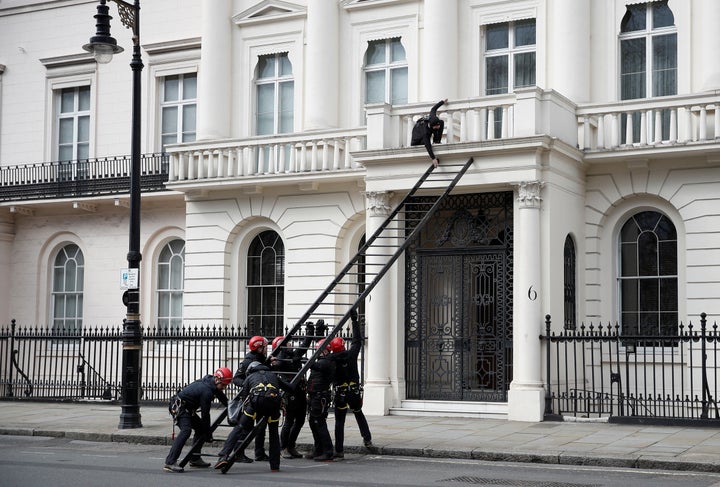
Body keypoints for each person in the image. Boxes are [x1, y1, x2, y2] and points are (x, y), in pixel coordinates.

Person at [214, 361, 292, 472]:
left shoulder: (250, 377)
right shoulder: (273, 375)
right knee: (274, 434)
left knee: (239, 428)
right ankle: (275, 466)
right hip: (273, 403)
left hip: (255, 403)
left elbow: (245, 398)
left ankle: (224, 456)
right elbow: (289, 388)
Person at [163, 367, 231, 473]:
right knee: (186, 430)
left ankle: (194, 458)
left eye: (226, 386)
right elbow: (205, 415)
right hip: (180, 407)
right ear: (217, 379)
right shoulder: (207, 391)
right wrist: (208, 433)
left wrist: (231, 406)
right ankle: (170, 462)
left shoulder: (211, 383)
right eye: (223, 385)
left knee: (200, 429)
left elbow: (222, 397)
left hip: (187, 409)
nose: (224, 388)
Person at [331, 309, 372, 458]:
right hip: (353, 392)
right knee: (359, 414)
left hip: (341, 394)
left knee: (339, 422)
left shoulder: (332, 360)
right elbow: (357, 340)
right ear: (343, 345)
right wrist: (355, 321)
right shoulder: (351, 354)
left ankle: (339, 450)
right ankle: (367, 438)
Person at [270, 326, 314, 459]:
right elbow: (279, 364)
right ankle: (284, 447)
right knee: (289, 421)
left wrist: (309, 334)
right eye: (286, 343)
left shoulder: (292, 355)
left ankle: (290, 445)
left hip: (300, 391)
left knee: (300, 421)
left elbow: (303, 347)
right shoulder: (280, 359)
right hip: (290, 394)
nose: (290, 344)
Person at [231, 335, 272, 462]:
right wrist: (249, 385)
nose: (267, 348)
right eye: (265, 346)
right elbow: (236, 378)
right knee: (246, 427)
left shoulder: (261, 358)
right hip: (250, 399)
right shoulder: (248, 362)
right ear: (259, 348)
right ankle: (238, 453)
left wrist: (269, 363)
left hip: (260, 397)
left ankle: (259, 453)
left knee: (261, 426)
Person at [305, 320, 336, 462]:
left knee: (319, 423)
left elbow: (314, 365)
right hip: (314, 396)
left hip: (319, 397)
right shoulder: (323, 358)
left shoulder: (326, 361)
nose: (318, 352)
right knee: (313, 423)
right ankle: (318, 449)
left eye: (320, 350)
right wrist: (318, 332)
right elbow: (321, 345)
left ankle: (328, 451)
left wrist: (302, 360)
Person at [411, 98, 449, 167]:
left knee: (441, 122)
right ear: (431, 125)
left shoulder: (432, 116)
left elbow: (434, 108)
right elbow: (427, 145)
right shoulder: (425, 131)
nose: (438, 127)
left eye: (438, 126)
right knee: (427, 138)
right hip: (417, 141)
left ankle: (436, 141)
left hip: (427, 129)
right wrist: (433, 158)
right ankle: (435, 140)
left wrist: (442, 102)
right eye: (436, 126)